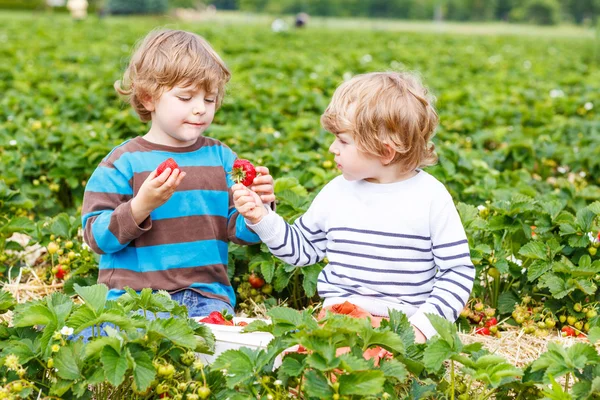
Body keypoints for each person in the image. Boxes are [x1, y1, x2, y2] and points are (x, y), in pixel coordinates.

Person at [232, 72, 474, 342]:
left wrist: (422, 328)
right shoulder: (336, 192)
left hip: (404, 325)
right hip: (340, 317)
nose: (332, 148)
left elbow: (457, 271)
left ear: (385, 151)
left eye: (343, 140)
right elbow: (300, 250)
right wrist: (261, 215)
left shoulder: (430, 197)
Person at [81, 29, 275, 319]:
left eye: (209, 100)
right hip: (134, 300)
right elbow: (96, 236)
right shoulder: (123, 162)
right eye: (186, 97)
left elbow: (239, 232)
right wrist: (140, 206)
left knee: (210, 354)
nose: (200, 110)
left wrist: (257, 210)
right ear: (148, 98)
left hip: (206, 297)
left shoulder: (221, 159)